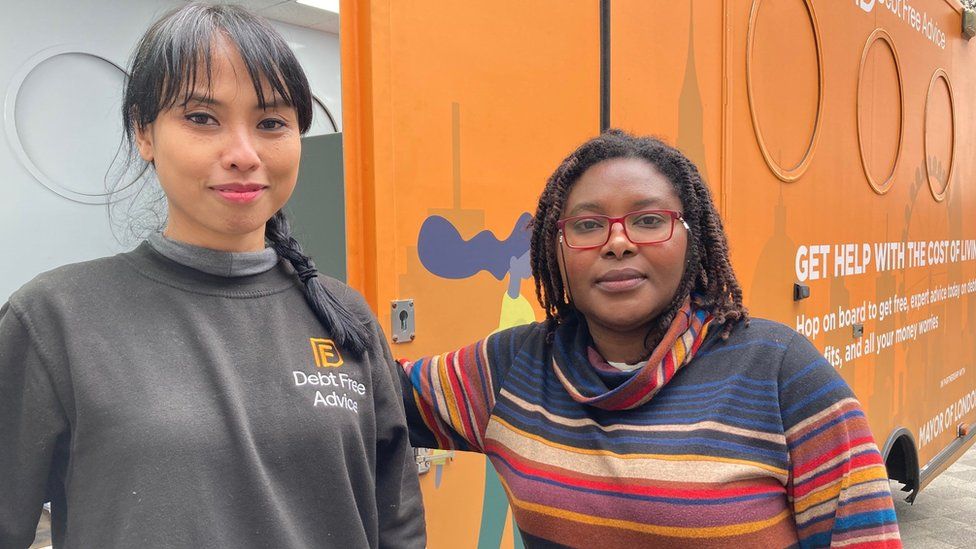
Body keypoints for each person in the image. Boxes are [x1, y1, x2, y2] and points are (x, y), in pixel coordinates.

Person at [0, 4, 424, 548]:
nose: (243, 154)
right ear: (144, 133)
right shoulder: (54, 321)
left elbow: (398, 526)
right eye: (202, 118)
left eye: (271, 122)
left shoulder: (343, 316)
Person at [398, 130, 901, 548]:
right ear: (558, 250)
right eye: (589, 225)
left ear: (692, 238)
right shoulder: (514, 366)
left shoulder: (781, 372)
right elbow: (366, 395)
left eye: (649, 220)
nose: (618, 242)